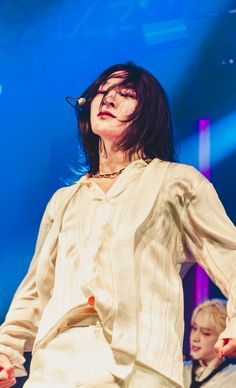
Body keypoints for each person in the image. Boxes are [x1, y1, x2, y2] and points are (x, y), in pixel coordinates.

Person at [0, 61, 236, 388]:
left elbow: (230, 256)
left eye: (125, 94)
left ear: (149, 113)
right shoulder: (65, 199)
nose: (108, 100)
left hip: (141, 366)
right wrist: (6, 348)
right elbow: (37, 287)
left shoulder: (177, 183)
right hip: (56, 365)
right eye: (101, 92)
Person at [183, 299, 236, 387]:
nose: (195, 338)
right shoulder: (179, 369)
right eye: (194, 328)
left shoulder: (232, 377)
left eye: (206, 333)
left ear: (222, 338)